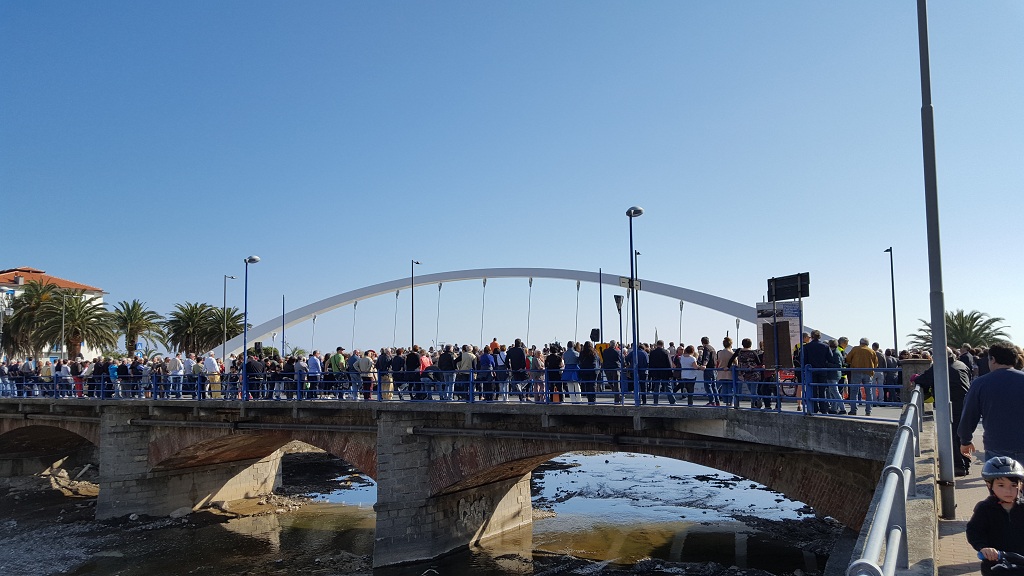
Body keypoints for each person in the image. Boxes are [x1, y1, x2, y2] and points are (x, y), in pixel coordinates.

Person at [959, 340, 1024, 462]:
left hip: (997, 444)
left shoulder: (980, 383)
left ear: (992, 359)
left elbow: (969, 414)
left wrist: (965, 440)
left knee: (999, 480)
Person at [915, 347, 972, 475]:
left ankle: (959, 466)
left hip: (952, 404)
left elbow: (923, 380)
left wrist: (915, 378)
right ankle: (965, 464)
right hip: (966, 403)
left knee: (953, 436)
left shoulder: (941, 367)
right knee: (963, 436)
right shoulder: (961, 365)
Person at [966, 457, 1024, 575]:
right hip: (996, 562)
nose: (1008, 491)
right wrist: (983, 547)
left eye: (1013, 485)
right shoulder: (985, 508)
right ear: (989, 485)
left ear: (1020, 485)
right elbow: (974, 531)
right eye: (1001, 485)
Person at [802, 330, 837, 414]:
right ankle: (823, 408)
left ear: (812, 336)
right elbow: (831, 359)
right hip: (822, 370)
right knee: (822, 390)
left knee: (812, 390)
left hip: (811, 371)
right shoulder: (825, 346)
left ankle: (814, 408)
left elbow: (804, 360)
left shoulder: (807, 347)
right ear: (820, 337)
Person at [845, 338, 878, 415]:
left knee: (854, 391)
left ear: (860, 342)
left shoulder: (855, 349)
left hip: (856, 371)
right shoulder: (872, 351)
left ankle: (853, 410)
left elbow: (848, 359)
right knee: (868, 392)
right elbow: (876, 364)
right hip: (868, 372)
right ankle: (868, 411)